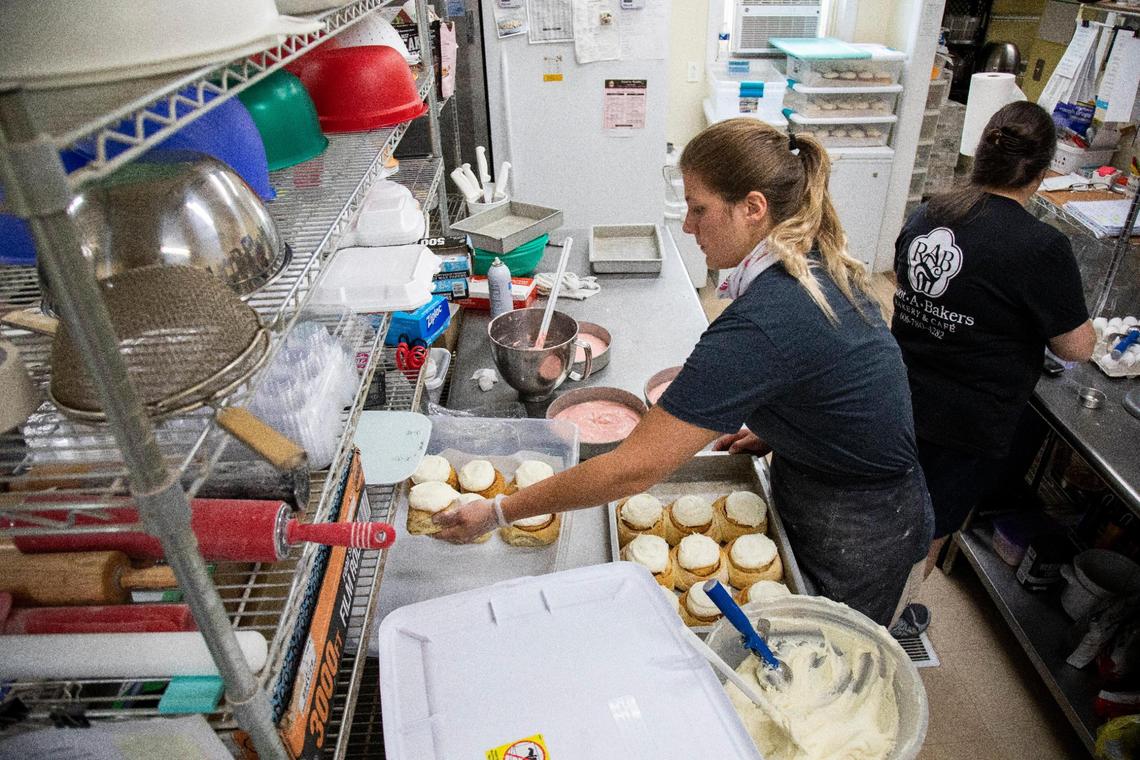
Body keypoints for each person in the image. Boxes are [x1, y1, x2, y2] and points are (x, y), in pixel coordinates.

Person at [435, 118, 934, 627]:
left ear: (753, 208)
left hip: (856, 528)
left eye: (700, 209)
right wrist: (784, 425)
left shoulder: (764, 320)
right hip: (832, 479)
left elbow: (635, 467)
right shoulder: (810, 262)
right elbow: (836, 379)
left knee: (817, 660)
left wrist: (499, 512)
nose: (689, 227)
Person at [890, 101, 1095, 635]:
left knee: (887, 505)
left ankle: (866, 594)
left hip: (901, 389)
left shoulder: (930, 212)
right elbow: (1076, 348)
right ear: (1044, 170)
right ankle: (890, 624)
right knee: (930, 526)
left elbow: (909, 284)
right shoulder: (1040, 247)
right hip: (967, 419)